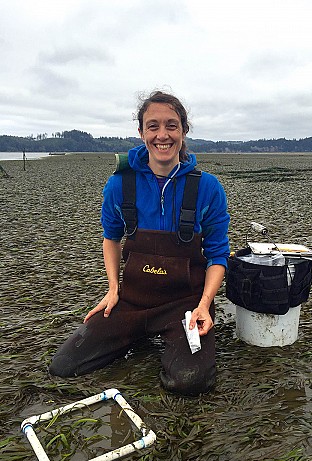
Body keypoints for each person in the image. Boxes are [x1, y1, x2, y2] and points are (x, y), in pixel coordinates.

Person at [49, 90, 230, 396]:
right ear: (141, 132)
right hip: (132, 300)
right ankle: (136, 333)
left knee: (189, 382)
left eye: (172, 125)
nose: (163, 135)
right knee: (65, 365)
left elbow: (218, 255)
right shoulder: (120, 184)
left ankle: (171, 338)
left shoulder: (208, 188)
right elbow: (111, 237)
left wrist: (204, 305)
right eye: (153, 126)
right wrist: (112, 289)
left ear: (184, 132)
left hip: (185, 305)